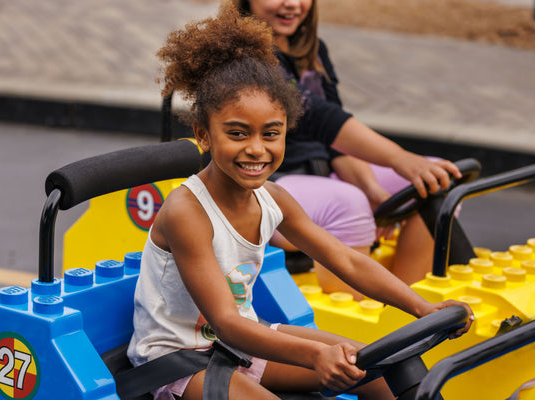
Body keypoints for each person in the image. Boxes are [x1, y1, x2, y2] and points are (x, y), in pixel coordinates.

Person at [126, 5, 473, 399]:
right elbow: (225, 320)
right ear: (204, 135)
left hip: (241, 343)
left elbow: (346, 260)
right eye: (238, 134)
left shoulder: (273, 198)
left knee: (379, 369)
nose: (257, 149)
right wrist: (315, 356)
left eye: (271, 134)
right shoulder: (186, 212)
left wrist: (422, 308)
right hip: (179, 360)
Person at [233, 0, 463, 298]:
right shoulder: (246, 56)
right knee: (347, 202)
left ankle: (409, 303)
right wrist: (398, 157)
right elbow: (318, 117)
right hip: (262, 184)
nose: (292, 4)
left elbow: (336, 142)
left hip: (319, 178)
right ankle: (356, 311)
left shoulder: (312, 51)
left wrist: (372, 189)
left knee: (436, 177)